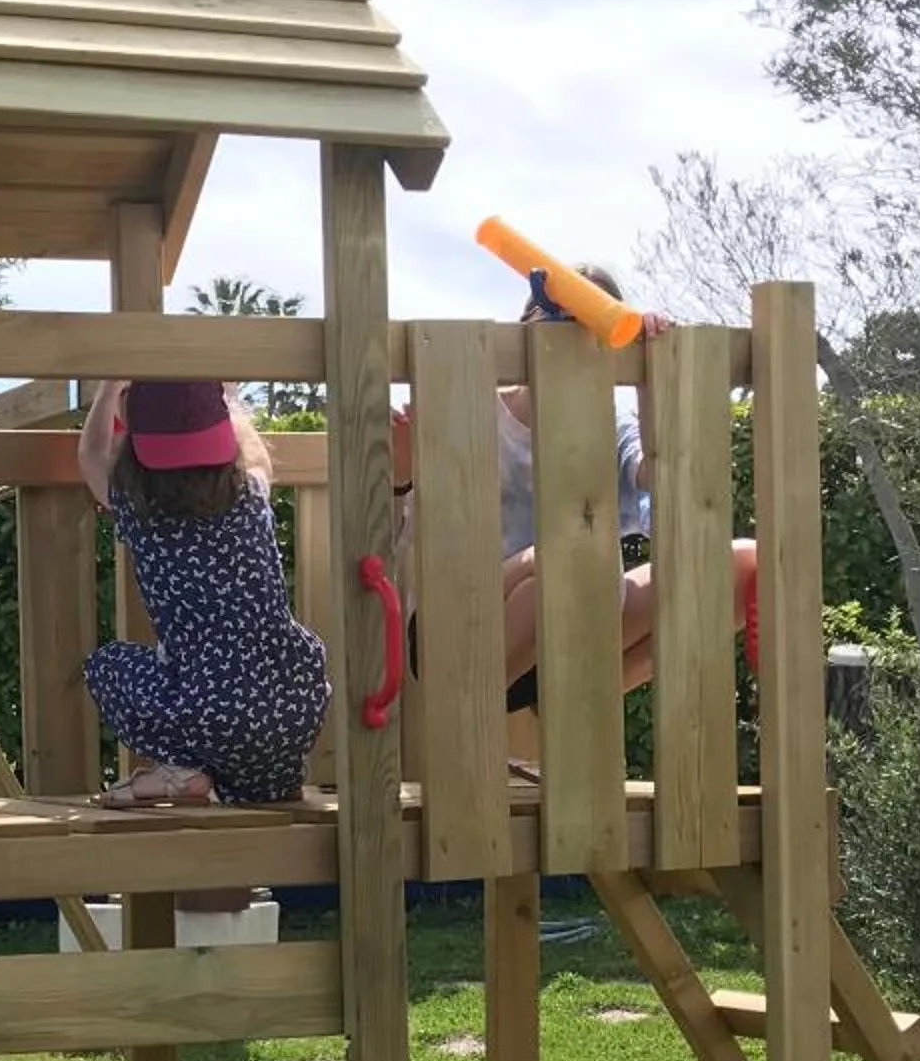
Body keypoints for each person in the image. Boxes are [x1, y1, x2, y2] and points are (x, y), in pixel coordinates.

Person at [391, 261, 758, 741]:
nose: (573, 342)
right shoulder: (474, 409)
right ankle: (474, 710)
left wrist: (649, 370)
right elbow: (395, 533)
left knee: (745, 562)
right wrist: (403, 475)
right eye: (560, 322)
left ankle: (577, 695)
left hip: (571, 631)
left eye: (593, 328)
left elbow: (659, 475)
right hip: (462, 632)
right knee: (563, 558)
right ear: (527, 328)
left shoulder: (608, 426)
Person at [74, 377, 331, 809]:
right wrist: (226, 395)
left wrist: (108, 388)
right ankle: (269, 778)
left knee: (107, 666)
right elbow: (254, 452)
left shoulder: (140, 510)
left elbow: (91, 456)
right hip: (293, 698)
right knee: (256, 769)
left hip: (205, 706)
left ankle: (180, 770)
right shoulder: (252, 492)